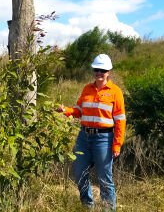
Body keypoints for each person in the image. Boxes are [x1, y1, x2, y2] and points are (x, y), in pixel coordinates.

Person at [57, 54, 126, 211]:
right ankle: (87, 207)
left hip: (104, 139)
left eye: (102, 70)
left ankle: (108, 209)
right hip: (84, 137)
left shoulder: (115, 92)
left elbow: (120, 120)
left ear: (108, 71)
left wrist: (117, 144)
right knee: (80, 174)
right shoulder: (87, 89)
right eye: (96, 69)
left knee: (104, 179)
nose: (99, 73)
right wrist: (66, 110)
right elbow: (79, 110)